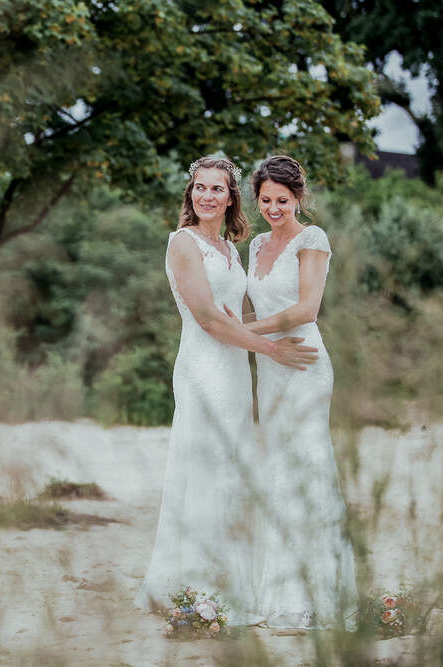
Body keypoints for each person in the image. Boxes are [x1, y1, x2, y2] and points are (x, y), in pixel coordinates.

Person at [134, 156, 318, 622]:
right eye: (200, 187)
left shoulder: (232, 249)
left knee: (233, 471)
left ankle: (231, 585)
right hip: (202, 368)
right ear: (190, 193)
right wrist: (271, 350)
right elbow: (210, 318)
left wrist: (254, 347)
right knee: (205, 468)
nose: (207, 196)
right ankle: (194, 589)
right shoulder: (183, 243)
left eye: (218, 189)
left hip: (237, 371)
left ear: (231, 197)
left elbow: (239, 314)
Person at [241, 154, 357, 629]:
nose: (273, 208)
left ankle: (319, 594)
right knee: (276, 469)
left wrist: (244, 330)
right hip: (271, 367)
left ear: (298, 197)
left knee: (307, 465)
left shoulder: (313, 239)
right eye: (265, 200)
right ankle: (281, 590)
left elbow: (307, 308)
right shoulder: (254, 246)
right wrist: (252, 339)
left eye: (282, 200)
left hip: (305, 363)